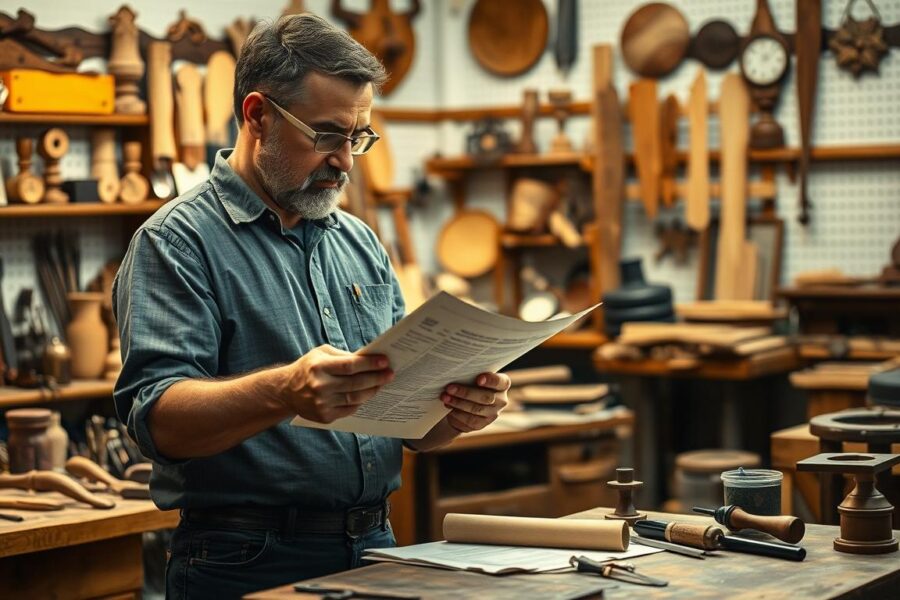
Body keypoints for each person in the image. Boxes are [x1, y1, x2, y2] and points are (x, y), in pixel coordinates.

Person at [113, 13, 510, 599]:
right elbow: (157, 421)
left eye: (358, 137)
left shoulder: (359, 241)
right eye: (325, 135)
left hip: (377, 548)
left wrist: (454, 414)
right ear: (257, 116)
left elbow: (408, 431)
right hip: (244, 560)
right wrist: (283, 391)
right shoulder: (177, 242)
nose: (346, 160)